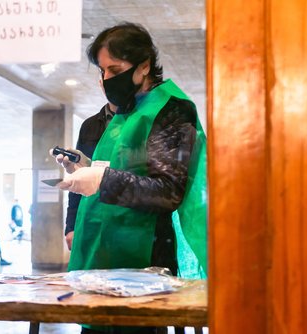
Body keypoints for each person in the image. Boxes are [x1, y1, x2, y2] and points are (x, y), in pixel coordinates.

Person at [53, 22, 207, 334]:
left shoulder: (171, 110)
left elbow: (169, 191)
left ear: (145, 66)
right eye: (102, 70)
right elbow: (130, 167)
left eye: (115, 69)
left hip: (146, 263)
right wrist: (86, 167)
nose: (107, 79)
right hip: (104, 255)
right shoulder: (127, 111)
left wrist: (102, 180)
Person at [64, 101, 116, 249]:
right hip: (92, 218)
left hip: (128, 221)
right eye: (106, 76)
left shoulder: (142, 119)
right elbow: (78, 177)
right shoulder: (90, 125)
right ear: (101, 82)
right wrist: (71, 226)